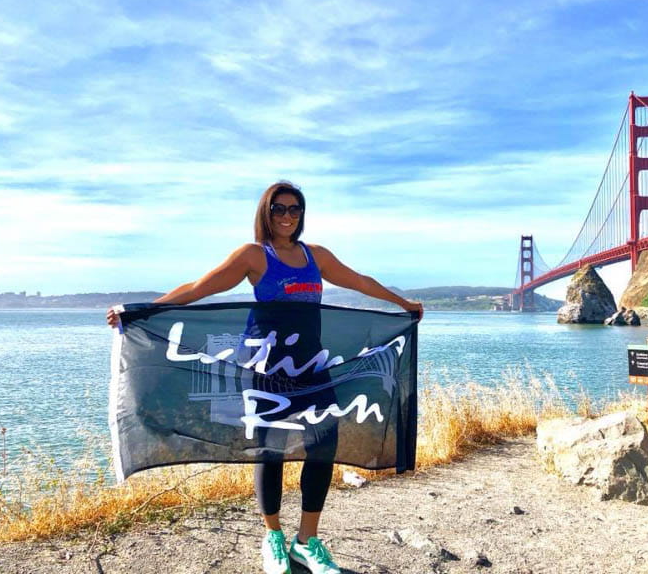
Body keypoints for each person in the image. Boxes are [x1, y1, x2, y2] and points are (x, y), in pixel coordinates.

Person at [107, 180, 422, 574]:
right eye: (279, 208)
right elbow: (199, 288)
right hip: (266, 367)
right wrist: (142, 309)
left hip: (311, 366)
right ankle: (273, 538)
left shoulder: (316, 256)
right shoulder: (255, 256)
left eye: (294, 209)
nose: (287, 216)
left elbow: (360, 281)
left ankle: (307, 541)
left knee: (323, 443)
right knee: (270, 450)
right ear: (266, 212)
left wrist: (403, 303)